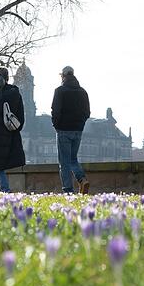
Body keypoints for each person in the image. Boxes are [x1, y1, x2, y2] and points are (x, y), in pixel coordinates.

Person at [51, 65, 90, 193]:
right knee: (73, 159)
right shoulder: (83, 91)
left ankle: (68, 190)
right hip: (78, 130)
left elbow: (55, 111)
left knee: (64, 162)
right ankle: (82, 180)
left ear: (63, 76)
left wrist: (56, 125)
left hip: (63, 130)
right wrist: (80, 125)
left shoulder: (60, 91)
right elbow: (87, 112)